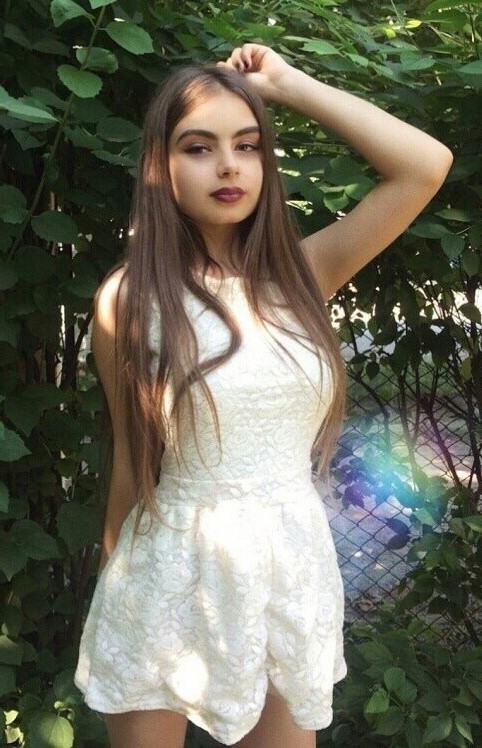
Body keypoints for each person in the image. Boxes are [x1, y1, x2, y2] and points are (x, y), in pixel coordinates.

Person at [74, 43, 452, 748]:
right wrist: (111, 591)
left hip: (287, 565)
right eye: (199, 147)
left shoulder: (305, 274)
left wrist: (288, 84)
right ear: (160, 166)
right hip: (165, 569)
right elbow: (132, 460)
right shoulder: (130, 299)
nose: (228, 166)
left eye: (247, 146)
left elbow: (424, 166)